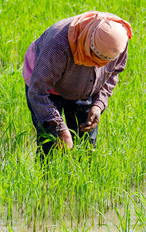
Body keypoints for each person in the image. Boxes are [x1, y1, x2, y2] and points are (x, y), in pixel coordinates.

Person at [23, 11, 132, 157]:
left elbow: (113, 73)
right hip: (48, 88)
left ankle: (80, 178)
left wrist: (98, 104)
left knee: (87, 145)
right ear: (90, 44)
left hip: (86, 85)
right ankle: (46, 178)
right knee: (50, 143)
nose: (101, 65)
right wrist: (60, 128)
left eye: (108, 61)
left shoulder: (118, 39)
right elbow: (37, 92)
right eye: (97, 58)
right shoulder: (58, 46)